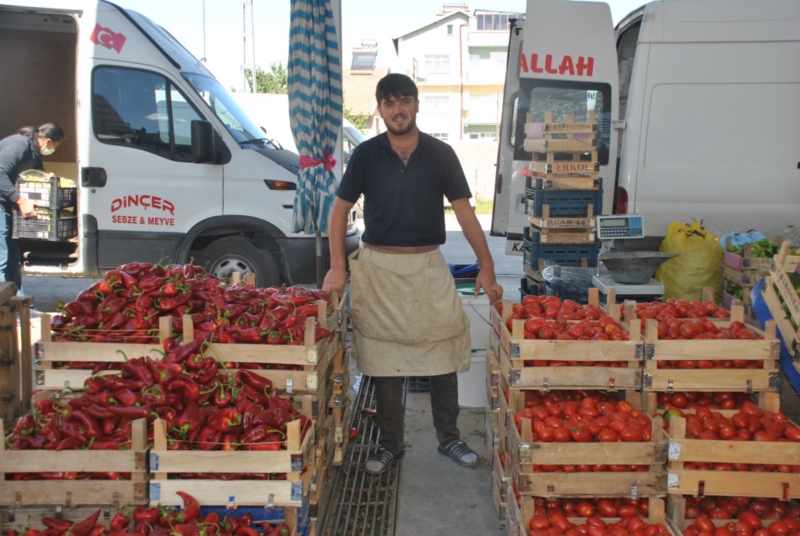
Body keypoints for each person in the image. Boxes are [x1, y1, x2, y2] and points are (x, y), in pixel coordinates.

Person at [322, 73, 503, 475]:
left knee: (444, 348)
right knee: (384, 359)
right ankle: (390, 445)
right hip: (378, 269)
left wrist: (487, 266)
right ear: (380, 109)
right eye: (389, 103)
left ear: (417, 105)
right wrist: (338, 266)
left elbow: (464, 211)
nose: (397, 109)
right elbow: (339, 211)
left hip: (427, 266)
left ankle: (450, 438)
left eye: (404, 101)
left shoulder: (440, 154)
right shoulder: (366, 155)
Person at [0, 123, 65, 292]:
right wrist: (21, 201)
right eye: (56, 146)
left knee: (14, 256)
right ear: (48, 141)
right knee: (4, 255)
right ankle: (5, 306)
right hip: (3, 202)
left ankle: (20, 302)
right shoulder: (19, 145)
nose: (54, 150)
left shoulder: (35, 153)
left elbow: (40, 179)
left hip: (7, 202)